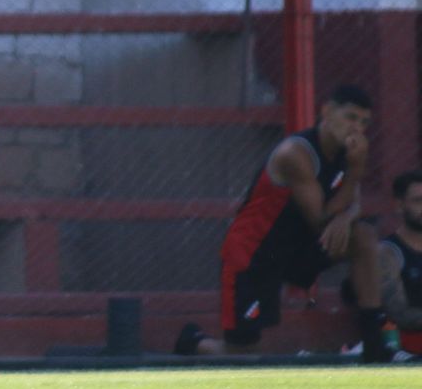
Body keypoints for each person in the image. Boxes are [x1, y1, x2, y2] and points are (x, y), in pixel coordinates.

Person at [174, 85, 393, 363]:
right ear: (326, 111)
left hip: (299, 248)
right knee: (242, 356)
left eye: (364, 122)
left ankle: (374, 341)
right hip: (255, 254)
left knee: (363, 235)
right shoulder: (296, 154)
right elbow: (319, 219)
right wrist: (357, 171)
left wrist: (347, 215)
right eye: (350, 117)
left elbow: (354, 204)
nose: (357, 128)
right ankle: (195, 343)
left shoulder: (345, 153)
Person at [374, 170, 422, 355]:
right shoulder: (387, 253)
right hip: (405, 348)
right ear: (400, 205)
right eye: (418, 200)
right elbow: (398, 313)